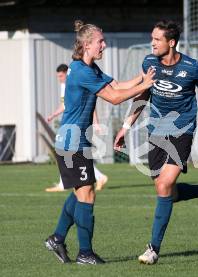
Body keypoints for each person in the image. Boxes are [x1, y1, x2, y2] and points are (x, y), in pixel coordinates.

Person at [44, 20, 155, 265]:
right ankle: (85, 253)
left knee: (82, 191)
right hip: (72, 143)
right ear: (86, 45)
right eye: (100, 42)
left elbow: (116, 85)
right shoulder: (83, 71)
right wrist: (145, 86)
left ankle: (57, 238)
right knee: (87, 196)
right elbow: (115, 97)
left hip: (75, 142)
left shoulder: (88, 67)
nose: (104, 45)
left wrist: (142, 78)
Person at [113, 20, 198, 265]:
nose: (152, 43)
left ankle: (153, 249)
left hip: (182, 131)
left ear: (171, 42)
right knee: (168, 192)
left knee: (164, 185)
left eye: (157, 39)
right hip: (156, 132)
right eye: (152, 38)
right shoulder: (149, 63)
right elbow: (143, 94)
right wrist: (125, 127)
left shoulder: (192, 67)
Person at [46, 64, 108, 192]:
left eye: (61, 76)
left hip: (78, 124)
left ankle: (96, 177)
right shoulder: (64, 86)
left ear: (66, 73)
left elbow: (90, 103)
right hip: (70, 124)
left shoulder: (74, 82)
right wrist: (53, 115)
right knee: (67, 151)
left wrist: (96, 123)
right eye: (58, 76)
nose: (60, 78)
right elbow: (65, 105)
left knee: (69, 151)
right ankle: (65, 182)